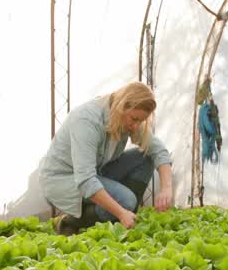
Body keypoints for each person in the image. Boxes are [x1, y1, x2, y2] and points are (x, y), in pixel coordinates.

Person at [38, 81, 174, 234]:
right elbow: (86, 179)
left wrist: (166, 189)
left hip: (97, 173)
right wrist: (121, 212)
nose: (136, 126)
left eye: (141, 121)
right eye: (134, 119)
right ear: (121, 106)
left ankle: (124, 217)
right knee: (126, 201)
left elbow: (158, 150)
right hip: (64, 180)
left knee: (146, 156)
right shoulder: (87, 121)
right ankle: (68, 222)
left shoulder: (125, 117)